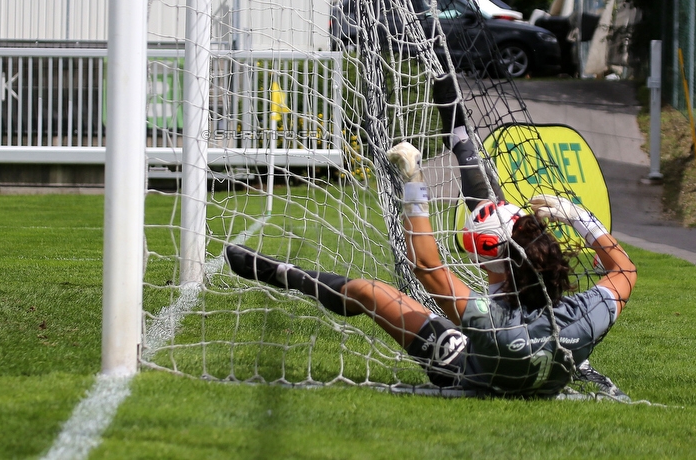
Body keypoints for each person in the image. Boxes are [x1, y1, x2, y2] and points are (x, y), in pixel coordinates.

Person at [225, 76, 637, 397]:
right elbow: (625, 270)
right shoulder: (581, 315)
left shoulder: (492, 324)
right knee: (472, 231)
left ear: (500, 260)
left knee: (372, 293)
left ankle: (284, 273)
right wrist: (578, 214)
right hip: (539, 351)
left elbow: (427, 265)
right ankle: (460, 140)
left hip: (469, 368)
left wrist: (414, 182)